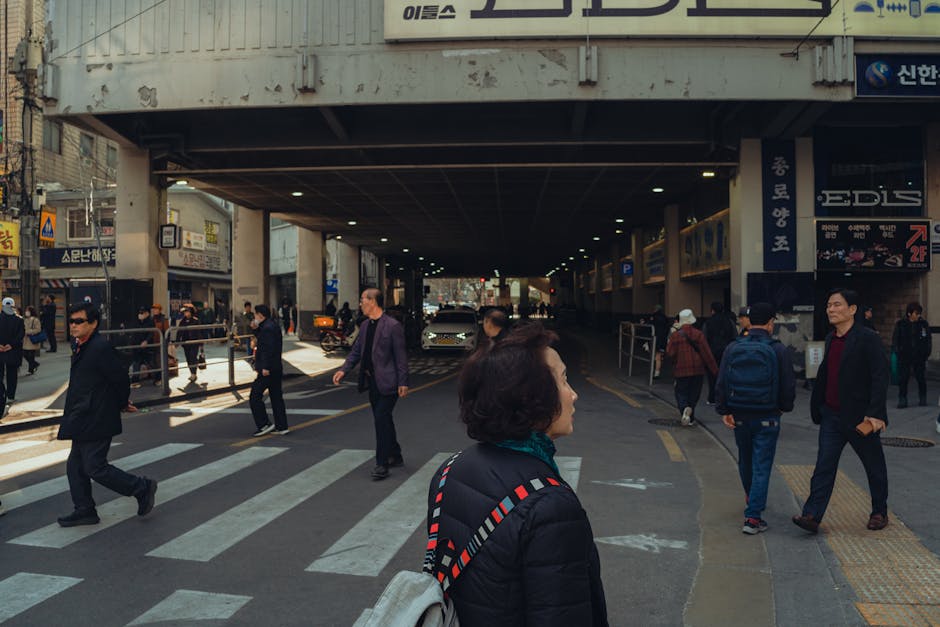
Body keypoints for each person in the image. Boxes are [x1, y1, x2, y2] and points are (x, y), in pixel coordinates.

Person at [427, 323, 608, 626]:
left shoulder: (449, 470)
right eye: (563, 380)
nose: (574, 395)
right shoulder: (550, 505)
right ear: (531, 397)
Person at [793, 288, 890, 534]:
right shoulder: (830, 338)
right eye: (828, 305)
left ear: (852, 310)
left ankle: (879, 511)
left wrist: (876, 412)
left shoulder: (868, 338)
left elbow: (880, 376)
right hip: (832, 416)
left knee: (874, 466)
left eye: (837, 305)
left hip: (860, 417)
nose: (831, 310)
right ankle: (812, 515)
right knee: (824, 466)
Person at [55, 302, 158, 527]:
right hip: (83, 415)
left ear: (93, 323)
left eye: (78, 321)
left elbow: (120, 379)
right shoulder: (81, 344)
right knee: (75, 466)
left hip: (97, 416)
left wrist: (121, 403)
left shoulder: (100, 347)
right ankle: (84, 510)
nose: (73, 326)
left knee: (94, 466)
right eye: (71, 321)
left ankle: (141, 487)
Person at [715, 303, 795, 535]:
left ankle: (752, 498)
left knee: (745, 459)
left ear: (749, 322)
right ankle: (752, 517)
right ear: (771, 323)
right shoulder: (778, 349)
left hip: (739, 413)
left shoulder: (733, 348)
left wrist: (724, 410)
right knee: (762, 465)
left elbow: (722, 382)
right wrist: (783, 408)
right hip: (767, 415)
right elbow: (788, 385)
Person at [332, 288, 409, 480]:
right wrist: (344, 369)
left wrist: (403, 381)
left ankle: (381, 463)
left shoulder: (392, 326)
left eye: (363, 300)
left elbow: (401, 357)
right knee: (383, 418)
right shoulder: (365, 325)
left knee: (381, 418)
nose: (360, 303)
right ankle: (396, 454)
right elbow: (357, 351)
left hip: (389, 382)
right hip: (372, 381)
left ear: (373, 301)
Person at [665, 308, 718, 427]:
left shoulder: (675, 336)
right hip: (698, 370)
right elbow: (707, 353)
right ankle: (691, 417)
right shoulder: (699, 334)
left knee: (681, 392)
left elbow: (670, 353)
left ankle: (684, 409)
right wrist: (715, 370)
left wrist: (675, 363)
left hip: (681, 370)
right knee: (694, 394)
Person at [249, 304, 289, 436]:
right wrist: (255, 329)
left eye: (255, 314)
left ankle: (264, 424)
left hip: (268, 369)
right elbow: (264, 341)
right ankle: (282, 426)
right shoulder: (271, 325)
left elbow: (267, 349)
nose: (254, 317)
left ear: (260, 315)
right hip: (276, 367)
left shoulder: (267, 328)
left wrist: (265, 367)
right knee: (276, 397)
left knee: (255, 396)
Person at [891, 301, 931, 408]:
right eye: (916, 313)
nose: (918, 316)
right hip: (905, 356)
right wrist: (898, 352)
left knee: (921, 378)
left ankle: (923, 398)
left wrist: (926, 353)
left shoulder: (923, 324)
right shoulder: (901, 324)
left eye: (919, 313)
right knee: (903, 379)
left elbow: (928, 340)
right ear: (909, 313)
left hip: (919, 356)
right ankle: (902, 399)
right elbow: (895, 340)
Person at [703, 302, 737, 404]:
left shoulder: (708, 323)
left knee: (712, 376)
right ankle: (724, 397)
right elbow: (735, 337)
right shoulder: (729, 322)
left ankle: (712, 398)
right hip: (726, 352)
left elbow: (704, 339)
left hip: (712, 353)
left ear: (712, 310)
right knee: (725, 375)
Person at [0, 297, 25, 410]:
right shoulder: (19, 320)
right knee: (12, 374)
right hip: (13, 351)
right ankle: (10, 395)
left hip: (0, 351)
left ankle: (1, 395)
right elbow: (21, 335)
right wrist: (11, 345)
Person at [129, 306, 157, 385]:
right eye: (140, 313)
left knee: (151, 363)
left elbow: (151, 333)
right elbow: (134, 333)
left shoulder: (150, 321)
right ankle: (135, 381)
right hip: (137, 346)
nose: (140, 314)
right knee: (136, 363)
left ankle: (158, 378)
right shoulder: (137, 321)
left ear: (147, 314)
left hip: (147, 346)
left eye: (142, 313)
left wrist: (146, 341)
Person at [176, 304, 204, 383]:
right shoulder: (183, 321)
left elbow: (199, 332)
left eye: (187, 311)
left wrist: (201, 344)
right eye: (184, 312)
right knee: (188, 358)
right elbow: (179, 332)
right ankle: (192, 372)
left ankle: (194, 374)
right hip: (186, 343)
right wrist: (177, 342)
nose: (185, 313)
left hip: (194, 343)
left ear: (191, 311)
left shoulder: (196, 320)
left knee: (192, 357)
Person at [648, 304, 670, 378]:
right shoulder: (665, 318)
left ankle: (655, 373)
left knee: (655, 356)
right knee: (658, 355)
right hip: (663, 339)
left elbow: (649, 327)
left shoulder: (653, 317)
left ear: (656, 309)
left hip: (655, 338)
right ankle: (656, 372)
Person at [22, 305, 42, 375]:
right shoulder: (25, 319)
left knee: (31, 355)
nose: (26, 312)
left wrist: (29, 332)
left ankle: (31, 369)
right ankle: (35, 364)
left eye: (27, 310)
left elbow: (38, 329)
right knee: (25, 354)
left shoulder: (35, 320)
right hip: (26, 340)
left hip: (32, 340)